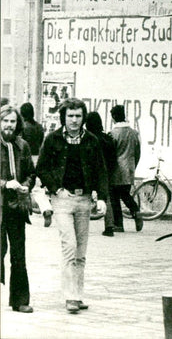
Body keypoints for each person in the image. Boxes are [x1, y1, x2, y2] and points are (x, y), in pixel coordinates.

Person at [35, 98, 108, 314]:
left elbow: (101, 171)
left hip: (84, 200)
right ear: (64, 118)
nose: (74, 120)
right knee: (69, 246)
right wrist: (57, 188)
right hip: (62, 200)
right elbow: (42, 168)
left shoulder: (92, 140)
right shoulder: (53, 139)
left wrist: (102, 197)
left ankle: (78, 293)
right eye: (70, 116)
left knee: (81, 251)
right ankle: (70, 297)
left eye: (78, 116)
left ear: (83, 117)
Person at [0, 104, 35, 313]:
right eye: (5, 121)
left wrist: (26, 185)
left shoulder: (23, 145)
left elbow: (31, 172)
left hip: (16, 207)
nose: (9, 125)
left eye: (12, 121)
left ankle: (20, 300)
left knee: (18, 254)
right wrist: (5, 183)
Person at [108, 105, 143, 233]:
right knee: (125, 194)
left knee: (114, 197)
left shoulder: (113, 134)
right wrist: (133, 165)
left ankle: (119, 224)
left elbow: (110, 154)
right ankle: (136, 212)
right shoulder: (134, 133)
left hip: (116, 170)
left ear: (114, 118)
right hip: (130, 168)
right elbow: (138, 152)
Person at [85, 112, 118, 237]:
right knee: (106, 197)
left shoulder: (88, 138)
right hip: (106, 172)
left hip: (90, 171)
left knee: (84, 196)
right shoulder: (107, 138)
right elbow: (114, 157)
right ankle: (109, 226)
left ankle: (81, 224)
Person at [19, 102, 52, 227]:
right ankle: (45, 208)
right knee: (38, 188)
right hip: (38, 156)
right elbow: (41, 141)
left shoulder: (23, 127)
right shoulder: (39, 126)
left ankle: (25, 210)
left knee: (25, 184)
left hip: (25, 157)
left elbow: (20, 144)